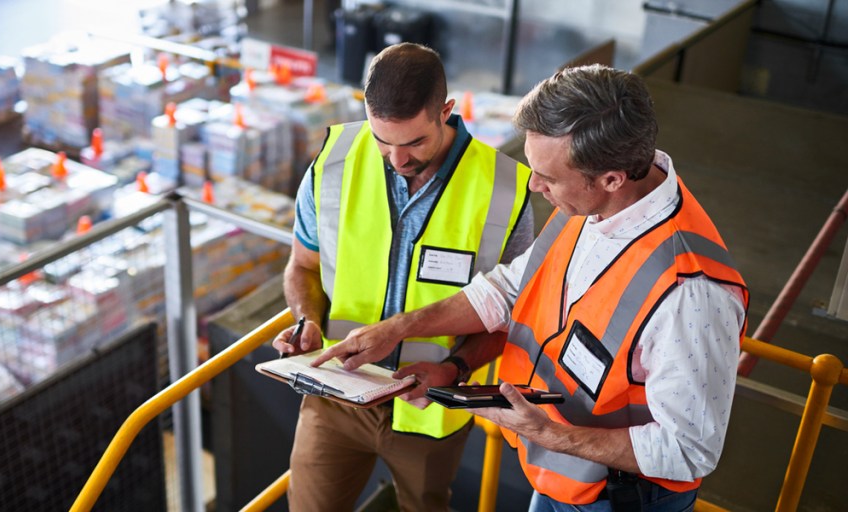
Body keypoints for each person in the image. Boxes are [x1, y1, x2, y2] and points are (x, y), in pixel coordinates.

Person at [314, 64, 749, 511]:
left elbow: (689, 449)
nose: (533, 184)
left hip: (618, 499)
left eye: (547, 177)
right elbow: (508, 289)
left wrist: (550, 434)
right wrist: (401, 328)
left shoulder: (692, 294)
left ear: (612, 178)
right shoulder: (590, 204)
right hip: (559, 477)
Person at [272, 42, 535, 511]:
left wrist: (454, 370)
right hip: (335, 393)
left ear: (446, 112)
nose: (396, 159)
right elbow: (304, 265)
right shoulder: (332, 162)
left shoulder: (505, 191)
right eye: (382, 140)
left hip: (429, 410)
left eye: (414, 142)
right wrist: (306, 319)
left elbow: (511, 318)